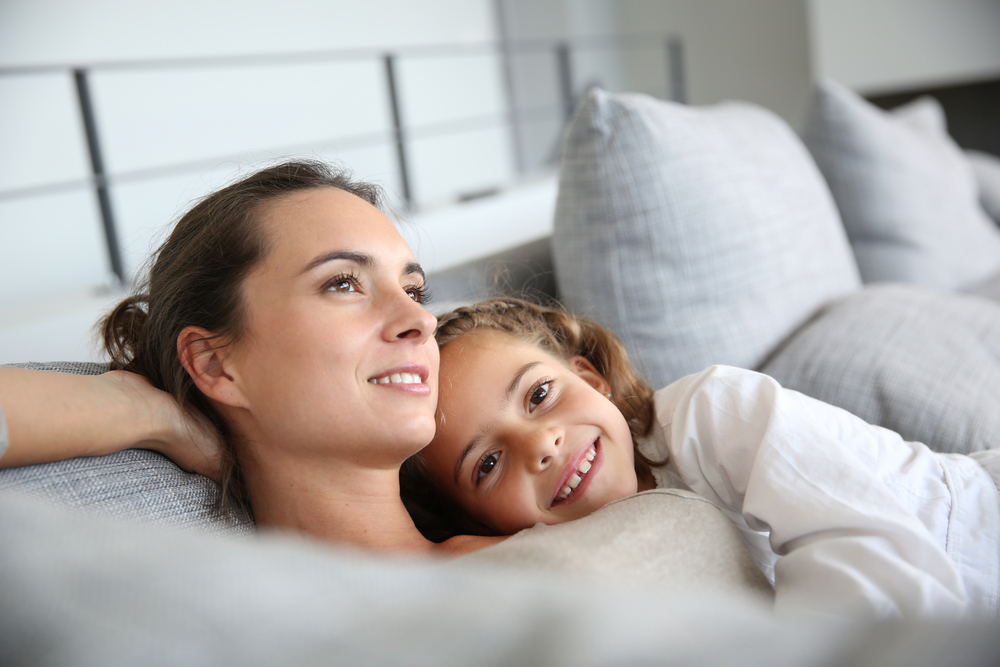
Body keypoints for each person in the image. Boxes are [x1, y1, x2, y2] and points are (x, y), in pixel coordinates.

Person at [0, 159, 499, 555]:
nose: (422, 319)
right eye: (343, 283)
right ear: (215, 364)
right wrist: (145, 412)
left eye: (414, 289)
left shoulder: (532, 564)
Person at [404, 297, 1000, 617]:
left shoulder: (712, 413)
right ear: (480, 528)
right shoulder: (577, 565)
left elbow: (872, 559)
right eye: (487, 464)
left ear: (590, 378)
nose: (540, 446)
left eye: (539, 395)